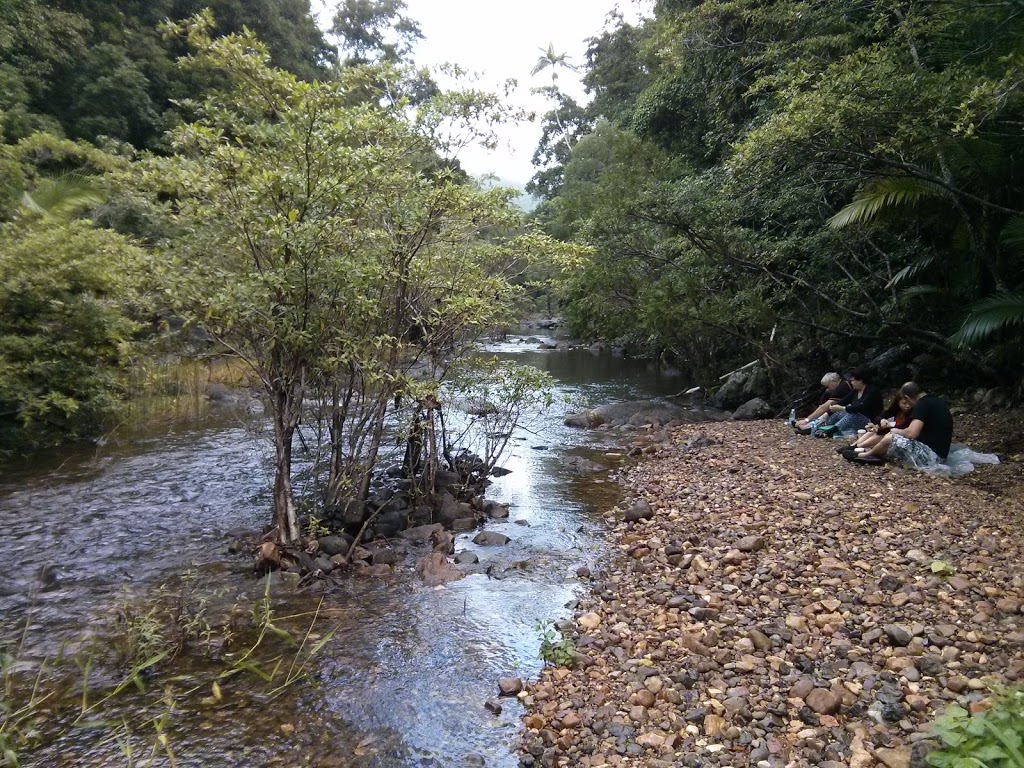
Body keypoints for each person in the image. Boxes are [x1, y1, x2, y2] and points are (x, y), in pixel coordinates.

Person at [854, 382, 953, 467]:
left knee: (891, 437)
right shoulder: (936, 401)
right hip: (940, 454)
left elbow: (911, 433)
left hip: (932, 457)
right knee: (893, 436)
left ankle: (869, 454)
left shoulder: (922, 404)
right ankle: (870, 451)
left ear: (907, 397)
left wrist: (894, 430)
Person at [837, 392, 912, 459]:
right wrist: (881, 420)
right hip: (889, 431)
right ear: (898, 403)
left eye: (909, 403)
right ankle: (854, 446)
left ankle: (859, 447)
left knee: (881, 433)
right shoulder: (896, 410)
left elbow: (902, 427)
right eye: (904, 403)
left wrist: (881, 429)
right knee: (873, 430)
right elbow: (879, 417)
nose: (907, 406)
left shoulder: (912, 414)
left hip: (899, 437)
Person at [817, 368, 883, 437]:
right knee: (838, 412)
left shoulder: (872, 391)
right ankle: (823, 425)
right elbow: (843, 401)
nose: (851, 383)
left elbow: (862, 407)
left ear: (860, 381)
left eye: (853, 381)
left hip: (868, 420)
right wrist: (828, 413)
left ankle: (830, 432)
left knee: (851, 415)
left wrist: (843, 408)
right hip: (855, 417)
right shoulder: (856, 391)